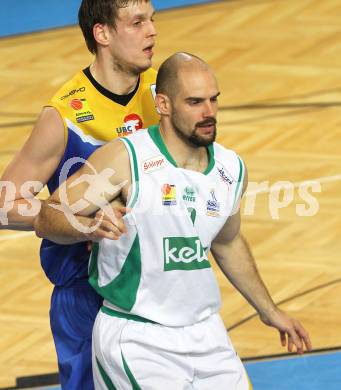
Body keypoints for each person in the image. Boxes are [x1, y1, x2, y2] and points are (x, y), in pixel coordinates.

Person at [34, 52, 312, 389]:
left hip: (206, 332)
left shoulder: (231, 169)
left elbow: (227, 241)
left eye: (213, 99)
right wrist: (87, 226)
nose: (208, 112)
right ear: (163, 104)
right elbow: (48, 216)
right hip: (137, 337)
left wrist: (269, 310)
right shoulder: (126, 158)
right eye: (195, 102)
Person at [0, 0, 158, 388]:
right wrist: (75, 219)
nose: (152, 31)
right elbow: (0, 209)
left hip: (156, 286)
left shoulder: (164, 95)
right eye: (137, 22)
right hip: (88, 297)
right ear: (103, 34)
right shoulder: (63, 115)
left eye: (152, 20)